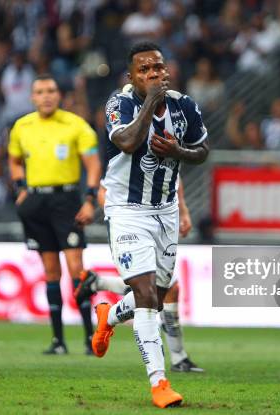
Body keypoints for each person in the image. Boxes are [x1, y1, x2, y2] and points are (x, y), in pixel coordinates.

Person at [90, 42, 209, 408]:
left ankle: (111, 313)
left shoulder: (184, 105)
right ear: (132, 77)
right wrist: (149, 103)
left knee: (156, 297)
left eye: (158, 67)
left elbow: (202, 151)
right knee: (144, 292)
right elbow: (126, 142)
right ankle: (159, 383)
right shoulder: (120, 103)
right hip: (127, 210)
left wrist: (178, 152)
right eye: (144, 70)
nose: (153, 74)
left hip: (166, 212)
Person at [8, 74, 101, 355]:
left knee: (76, 268)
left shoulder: (76, 126)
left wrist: (89, 199)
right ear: (32, 97)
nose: (46, 95)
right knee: (50, 271)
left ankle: (89, 339)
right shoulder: (21, 127)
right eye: (40, 91)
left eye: (51, 90)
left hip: (67, 200)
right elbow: (13, 160)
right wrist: (21, 187)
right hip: (36, 202)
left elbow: (93, 164)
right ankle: (58, 341)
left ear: (59, 95)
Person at [75, 177, 204, 373]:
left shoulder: (170, 148)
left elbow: (175, 178)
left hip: (161, 222)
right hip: (131, 225)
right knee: (158, 288)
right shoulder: (129, 150)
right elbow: (105, 188)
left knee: (160, 290)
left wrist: (183, 210)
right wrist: (121, 215)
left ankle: (100, 288)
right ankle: (176, 360)